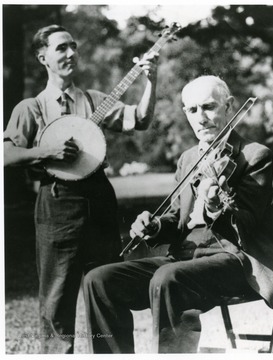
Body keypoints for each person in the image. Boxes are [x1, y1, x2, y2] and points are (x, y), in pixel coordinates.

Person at [83, 75, 273, 353]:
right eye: (192, 110)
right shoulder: (188, 159)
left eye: (209, 107)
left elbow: (247, 224)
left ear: (229, 106)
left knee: (169, 277)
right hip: (185, 258)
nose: (201, 117)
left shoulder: (255, 155)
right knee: (99, 280)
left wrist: (213, 207)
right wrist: (155, 226)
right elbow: (177, 220)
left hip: (235, 261)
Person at [4, 24, 158, 354]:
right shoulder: (30, 107)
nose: (72, 53)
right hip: (58, 202)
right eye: (61, 48)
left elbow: (140, 119)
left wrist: (151, 82)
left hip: (100, 199)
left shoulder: (94, 100)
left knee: (108, 287)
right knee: (57, 297)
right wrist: (46, 152)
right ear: (42, 56)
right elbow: (6, 153)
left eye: (73, 46)